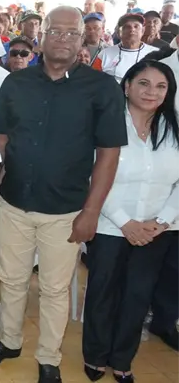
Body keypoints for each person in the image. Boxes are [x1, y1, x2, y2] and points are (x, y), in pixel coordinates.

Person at [0, 6, 127, 383]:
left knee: (55, 288)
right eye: (54, 31)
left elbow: (109, 154)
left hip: (67, 210)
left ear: (84, 39)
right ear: (41, 36)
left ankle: (48, 358)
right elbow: (1, 142)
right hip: (13, 201)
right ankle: (9, 341)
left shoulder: (102, 88)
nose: (62, 39)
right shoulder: (16, 83)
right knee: (11, 279)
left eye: (71, 33)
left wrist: (91, 212)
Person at [81, 60, 179, 383]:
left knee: (138, 295)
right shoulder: (106, 124)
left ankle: (123, 359)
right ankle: (95, 356)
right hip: (110, 226)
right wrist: (125, 222)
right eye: (143, 84)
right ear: (127, 87)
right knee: (103, 292)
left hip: (155, 230)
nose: (152, 92)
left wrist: (162, 221)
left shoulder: (173, 128)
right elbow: (93, 177)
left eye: (161, 86)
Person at [93, 13, 159, 82]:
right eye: (127, 27)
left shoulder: (155, 54)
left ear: (142, 31)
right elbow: (93, 79)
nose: (132, 29)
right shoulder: (104, 54)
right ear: (118, 32)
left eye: (136, 26)